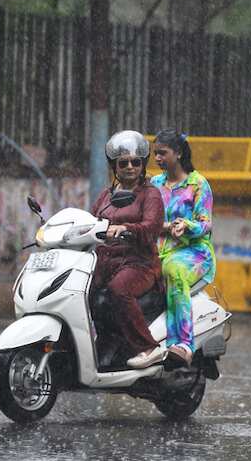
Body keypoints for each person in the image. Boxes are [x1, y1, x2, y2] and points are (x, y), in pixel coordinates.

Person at [90, 130, 168, 369]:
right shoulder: (106, 195)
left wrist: (125, 227)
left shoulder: (150, 194)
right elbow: (90, 221)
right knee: (80, 291)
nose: (130, 167)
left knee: (118, 290)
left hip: (139, 264)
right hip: (106, 263)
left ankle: (148, 347)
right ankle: (103, 343)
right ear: (115, 166)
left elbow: (151, 227)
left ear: (143, 165)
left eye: (136, 162)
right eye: (123, 163)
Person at [150, 129, 216, 366]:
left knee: (174, 271)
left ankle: (183, 345)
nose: (157, 159)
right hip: (160, 251)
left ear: (177, 153)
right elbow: (149, 220)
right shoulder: (155, 184)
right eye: (155, 154)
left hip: (193, 253)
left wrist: (186, 226)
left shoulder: (198, 184)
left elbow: (205, 224)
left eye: (162, 153)